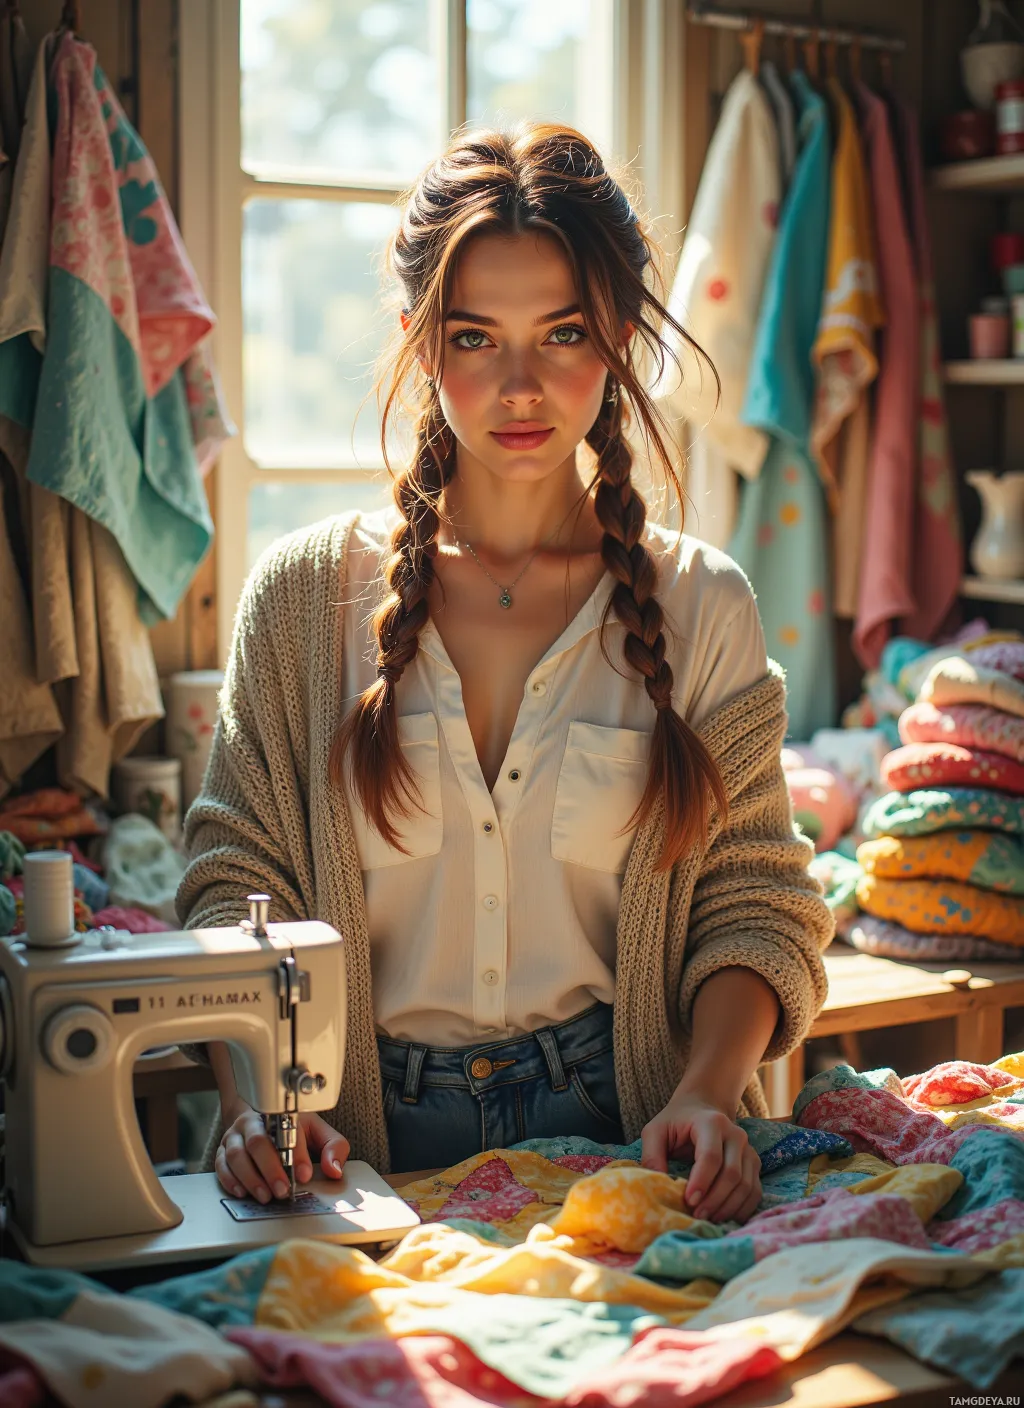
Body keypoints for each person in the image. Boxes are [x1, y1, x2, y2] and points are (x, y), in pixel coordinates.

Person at [178, 121, 833, 1226]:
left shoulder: (701, 603)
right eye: (475, 337)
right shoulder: (301, 599)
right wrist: (263, 1103)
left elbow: (755, 902)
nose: (521, 386)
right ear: (419, 344)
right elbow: (233, 884)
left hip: (630, 1126)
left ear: (618, 336)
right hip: (351, 1141)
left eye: (564, 332)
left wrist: (707, 1092)